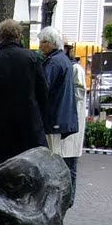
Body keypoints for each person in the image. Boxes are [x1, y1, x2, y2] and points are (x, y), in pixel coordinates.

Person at [0, 19, 48, 167]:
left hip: (2, 131)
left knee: (1, 177)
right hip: (30, 129)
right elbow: (43, 92)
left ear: (0, 37)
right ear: (19, 36)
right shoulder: (32, 59)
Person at [39, 27, 81, 191]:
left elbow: (44, 88)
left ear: (51, 43)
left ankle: (53, 192)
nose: (41, 46)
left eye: (43, 42)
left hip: (53, 118)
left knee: (51, 158)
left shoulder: (54, 62)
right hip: (59, 117)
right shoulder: (62, 60)